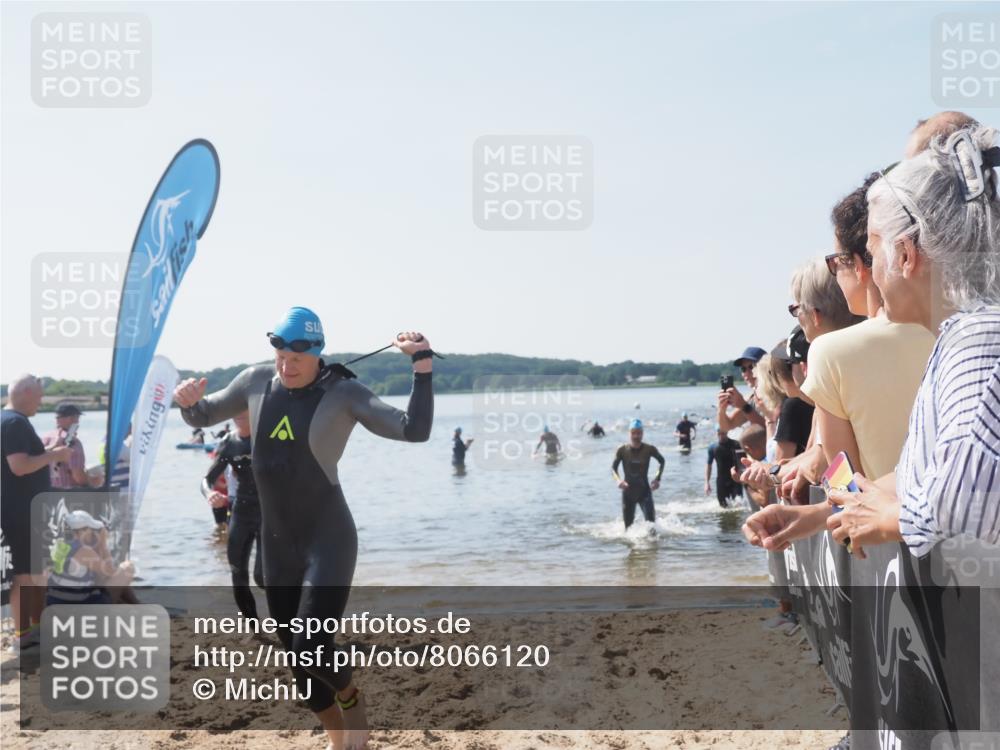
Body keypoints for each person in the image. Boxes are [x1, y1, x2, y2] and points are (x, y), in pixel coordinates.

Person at [174, 306, 433, 749]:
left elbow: (415, 430)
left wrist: (422, 365)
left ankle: (351, 697)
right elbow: (202, 416)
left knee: (312, 642)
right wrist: (187, 401)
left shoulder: (345, 393)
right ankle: (342, 742)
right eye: (279, 352)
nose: (285, 364)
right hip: (278, 545)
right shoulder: (255, 381)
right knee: (298, 658)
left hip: (327, 537)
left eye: (297, 356)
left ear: (316, 353)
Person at [746, 125, 1000, 559]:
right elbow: (923, 472)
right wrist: (816, 516)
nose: (871, 272)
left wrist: (886, 518)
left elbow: (966, 499)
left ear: (905, 255)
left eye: (872, 249)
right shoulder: (954, 335)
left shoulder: (976, 337)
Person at [804, 175, 937, 480]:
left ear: (860, 263)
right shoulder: (956, 330)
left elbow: (843, 485)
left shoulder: (829, 353)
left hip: (885, 527)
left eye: (835, 262)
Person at [1, 375, 71, 655]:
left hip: (19, 509)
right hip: (20, 512)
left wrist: (50, 452)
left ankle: (29, 632)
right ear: (27, 393)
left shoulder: (9, 421)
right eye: (40, 396)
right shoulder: (14, 422)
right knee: (25, 575)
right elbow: (19, 466)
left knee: (31, 573)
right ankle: (22, 637)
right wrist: (54, 457)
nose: (42, 401)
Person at [202, 410, 262, 619]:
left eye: (246, 407)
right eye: (236, 408)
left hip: (269, 512)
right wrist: (210, 494)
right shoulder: (229, 443)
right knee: (237, 572)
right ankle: (253, 625)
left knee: (263, 577)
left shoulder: (269, 435)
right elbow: (207, 480)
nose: (240, 413)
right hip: (241, 511)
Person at [47, 510, 134, 605]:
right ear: (82, 531)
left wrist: (97, 547)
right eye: (91, 529)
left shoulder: (60, 546)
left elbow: (99, 575)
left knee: (101, 580)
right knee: (127, 568)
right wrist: (103, 543)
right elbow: (110, 572)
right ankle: (135, 605)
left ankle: (136, 604)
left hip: (56, 603)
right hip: (77, 606)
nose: (93, 533)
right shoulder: (84, 551)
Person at [612, 419, 665, 528]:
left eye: (639, 433)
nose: (636, 436)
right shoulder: (622, 450)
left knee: (652, 527)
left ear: (642, 433)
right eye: (633, 433)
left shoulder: (649, 449)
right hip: (628, 493)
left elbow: (662, 461)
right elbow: (613, 468)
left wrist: (657, 479)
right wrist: (618, 480)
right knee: (628, 530)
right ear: (629, 433)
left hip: (644, 492)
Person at [717, 346, 767, 433]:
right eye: (743, 369)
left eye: (751, 367)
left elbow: (769, 429)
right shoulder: (752, 398)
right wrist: (721, 409)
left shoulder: (777, 394)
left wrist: (742, 404)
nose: (746, 373)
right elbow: (727, 426)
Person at [42, 402, 91, 489]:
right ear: (71, 419)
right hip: (68, 496)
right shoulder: (74, 442)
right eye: (77, 418)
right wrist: (93, 482)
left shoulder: (46, 438)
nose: (78, 421)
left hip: (48, 494)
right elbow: (78, 476)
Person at [704, 424, 742, 508]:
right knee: (723, 507)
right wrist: (707, 482)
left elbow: (743, 461)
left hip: (735, 479)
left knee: (739, 504)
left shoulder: (736, 444)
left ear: (727, 431)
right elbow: (709, 465)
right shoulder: (713, 448)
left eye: (723, 433)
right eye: (719, 433)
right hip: (721, 481)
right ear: (717, 433)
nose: (721, 435)